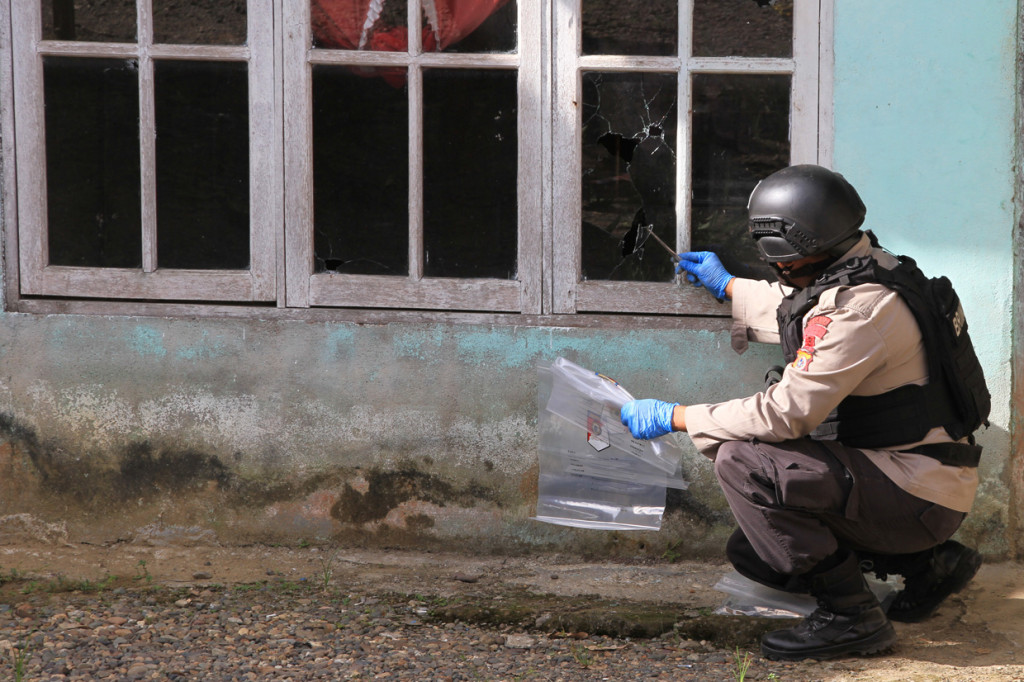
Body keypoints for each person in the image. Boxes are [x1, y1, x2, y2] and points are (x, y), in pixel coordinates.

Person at [619, 164, 987, 661]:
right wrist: (728, 286)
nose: (780, 273)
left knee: (743, 464)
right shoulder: (875, 265)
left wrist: (678, 416)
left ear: (797, 252)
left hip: (916, 495)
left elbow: (784, 414)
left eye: (783, 265)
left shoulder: (858, 310)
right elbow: (811, 308)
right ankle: (926, 566)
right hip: (925, 478)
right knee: (757, 554)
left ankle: (851, 616)